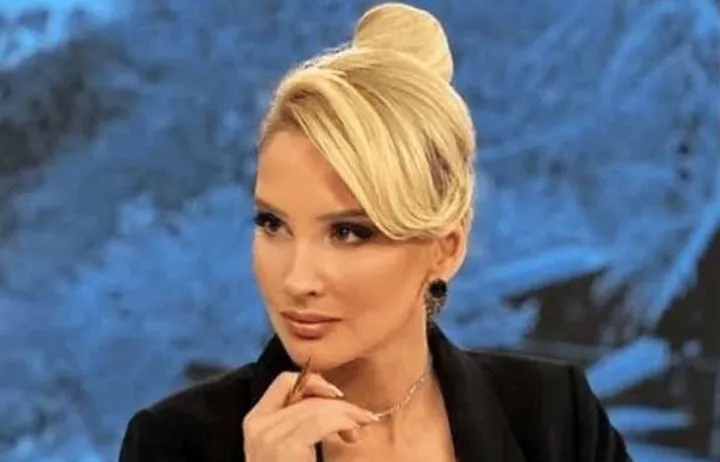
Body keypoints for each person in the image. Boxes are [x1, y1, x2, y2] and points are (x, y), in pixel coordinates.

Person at [118, 2, 632, 461]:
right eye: (273, 224)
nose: (297, 279)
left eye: (348, 232)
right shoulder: (173, 443)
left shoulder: (555, 417)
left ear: (446, 249)